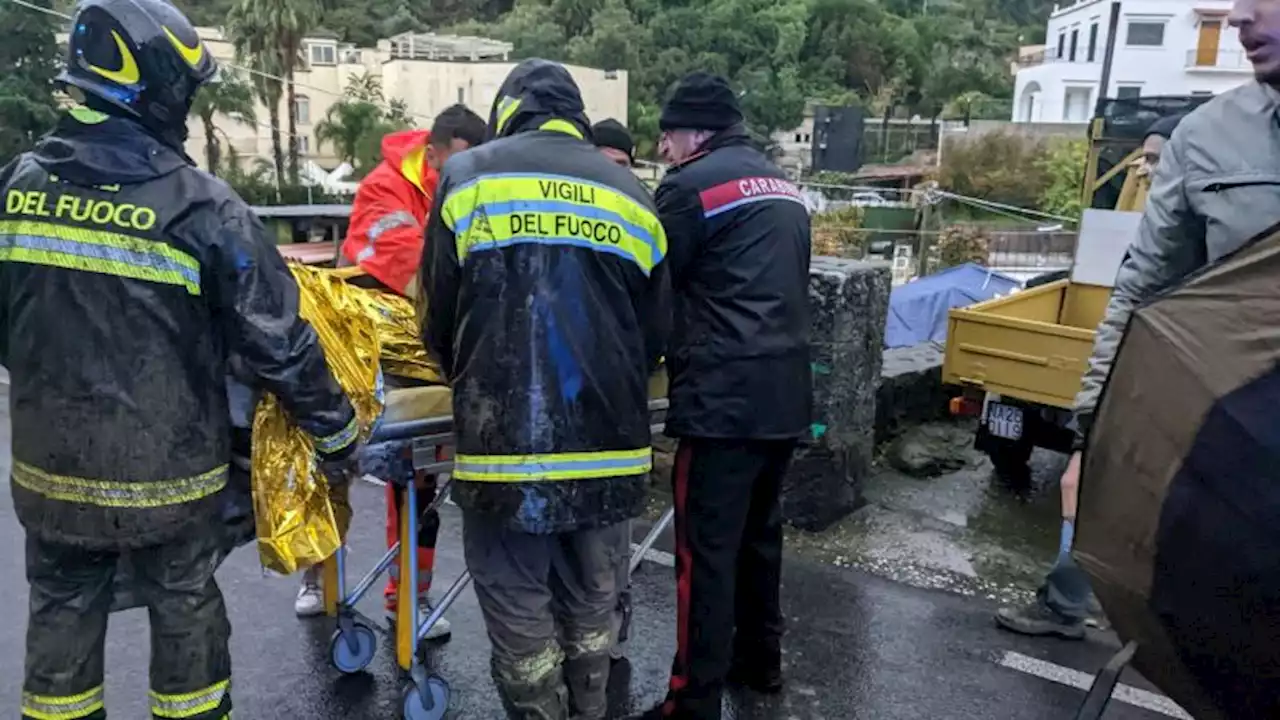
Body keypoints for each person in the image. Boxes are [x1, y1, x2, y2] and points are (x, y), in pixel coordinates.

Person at [1, 1, 359, 718]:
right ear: (160, 86)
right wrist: (336, 431)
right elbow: (278, 341)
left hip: (49, 476)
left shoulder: (16, 186)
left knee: (62, 612)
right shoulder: (203, 208)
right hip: (169, 480)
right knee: (185, 607)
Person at [996, 0, 1280, 640]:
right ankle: (1068, 603)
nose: (1237, 16)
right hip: (1242, 432)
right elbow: (1141, 293)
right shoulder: (1209, 135)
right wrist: (1092, 433)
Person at [420, 59, 670, 719]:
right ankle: (590, 708)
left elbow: (437, 316)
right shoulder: (633, 194)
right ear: (578, 118)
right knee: (593, 596)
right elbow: (655, 332)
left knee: (517, 598)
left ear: (507, 112)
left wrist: (470, 381)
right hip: (611, 446)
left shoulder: (468, 176)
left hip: (507, 446)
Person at [638, 73, 812, 720]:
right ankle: (760, 664)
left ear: (697, 132)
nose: (665, 148)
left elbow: (654, 290)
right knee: (761, 539)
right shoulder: (785, 188)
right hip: (787, 393)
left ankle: (692, 700)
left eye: (671, 135)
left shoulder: (688, 189)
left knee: (704, 554)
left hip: (722, 400)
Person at [294, 106, 486, 642]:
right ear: (437, 150)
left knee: (422, 478)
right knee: (332, 466)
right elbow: (405, 262)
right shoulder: (387, 187)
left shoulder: (461, 188)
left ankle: (409, 595)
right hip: (365, 344)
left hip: (425, 349)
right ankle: (317, 575)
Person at [592, 117, 642, 662]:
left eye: (623, 166)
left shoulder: (639, 212)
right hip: (580, 390)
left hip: (620, 388)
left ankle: (615, 615)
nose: (614, 175)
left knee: (613, 529)